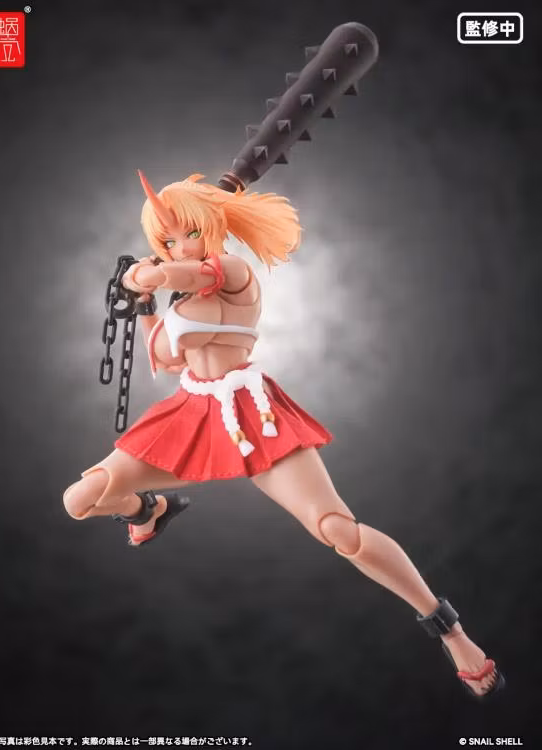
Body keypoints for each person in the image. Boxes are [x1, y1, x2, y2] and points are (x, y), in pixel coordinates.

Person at [63, 171, 504, 699]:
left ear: (212, 228)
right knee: (80, 500)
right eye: (169, 240)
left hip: (255, 417)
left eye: (190, 233)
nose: (180, 246)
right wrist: (143, 304)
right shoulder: (180, 296)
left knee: (338, 531)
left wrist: (147, 274)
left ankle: (451, 633)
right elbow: (166, 355)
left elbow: (190, 273)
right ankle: (147, 510)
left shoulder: (231, 271)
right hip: (191, 413)